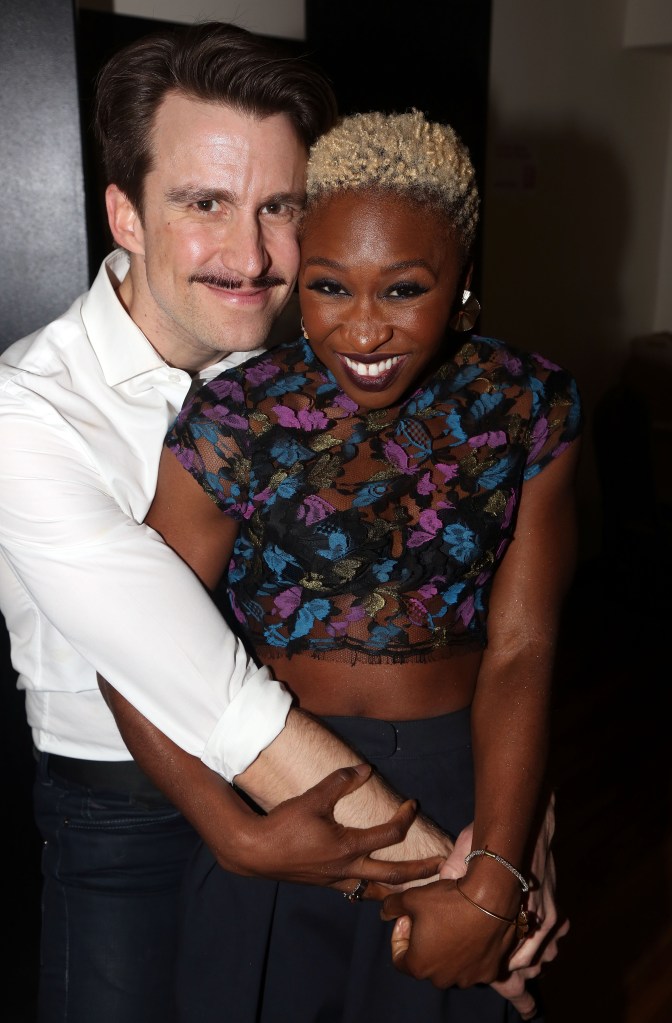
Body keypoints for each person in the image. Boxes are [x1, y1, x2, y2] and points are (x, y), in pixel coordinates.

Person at [0, 25, 456, 1023]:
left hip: (335, 759)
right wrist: (460, 895)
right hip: (124, 814)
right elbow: (212, 691)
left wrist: (514, 829)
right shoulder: (26, 412)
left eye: (280, 208)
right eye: (205, 204)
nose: (251, 256)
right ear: (125, 213)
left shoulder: (327, 363)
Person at [122, 108, 582, 1021]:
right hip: (275, 771)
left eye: (403, 289)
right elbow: (138, 645)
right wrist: (235, 832)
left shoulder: (528, 403)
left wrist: (498, 862)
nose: (362, 332)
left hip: (461, 776)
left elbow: (524, 647)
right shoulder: (237, 416)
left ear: (461, 280)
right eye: (331, 287)